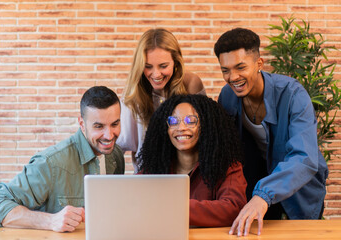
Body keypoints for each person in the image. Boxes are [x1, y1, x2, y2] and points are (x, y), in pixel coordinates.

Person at [214, 28, 328, 236]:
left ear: (259, 64)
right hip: (255, 182)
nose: (233, 77)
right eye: (225, 70)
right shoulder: (227, 97)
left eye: (240, 67)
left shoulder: (293, 94)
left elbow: (304, 157)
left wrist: (263, 194)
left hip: (299, 184)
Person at [0, 86, 125, 232]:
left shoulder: (116, 155)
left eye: (115, 124)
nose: (109, 135)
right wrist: (50, 221)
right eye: (99, 126)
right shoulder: (50, 163)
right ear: (82, 124)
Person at [137, 94, 247, 227]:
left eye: (191, 120)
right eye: (173, 121)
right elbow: (134, 201)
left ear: (206, 125)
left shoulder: (227, 166)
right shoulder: (155, 167)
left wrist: (173, 207)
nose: (181, 128)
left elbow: (233, 209)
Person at [116, 28, 205, 172]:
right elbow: (119, 144)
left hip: (187, 173)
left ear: (176, 62)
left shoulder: (191, 84)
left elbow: (206, 136)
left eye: (163, 66)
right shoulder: (133, 92)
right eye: (148, 67)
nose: (156, 74)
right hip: (147, 176)